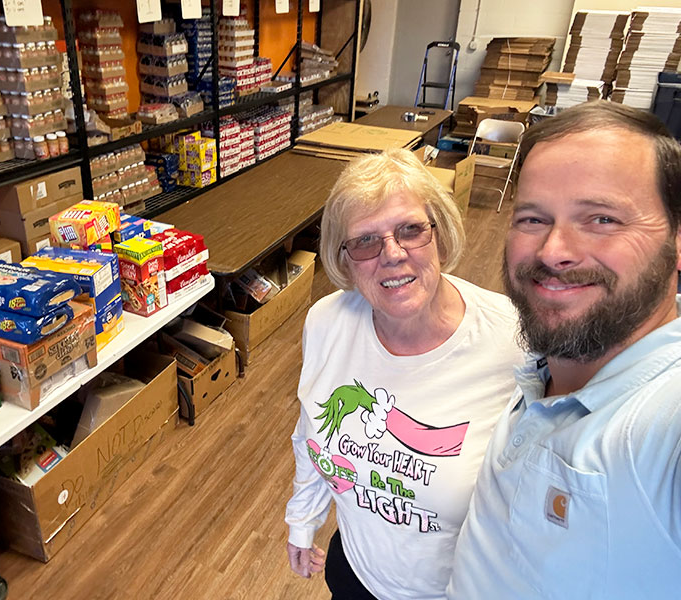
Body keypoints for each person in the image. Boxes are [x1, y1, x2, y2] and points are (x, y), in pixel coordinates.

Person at [447, 100, 681, 599]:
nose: (554, 250)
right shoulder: (543, 364)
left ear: (677, 240)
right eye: (533, 219)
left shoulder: (664, 421)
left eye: (601, 218)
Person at [284, 149, 524, 599]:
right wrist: (303, 517)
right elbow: (312, 429)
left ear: (440, 233)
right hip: (354, 573)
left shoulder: (514, 341)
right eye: (365, 241)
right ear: (346, 259)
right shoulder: (327, 321)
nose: (392, 254)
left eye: (411, 230)